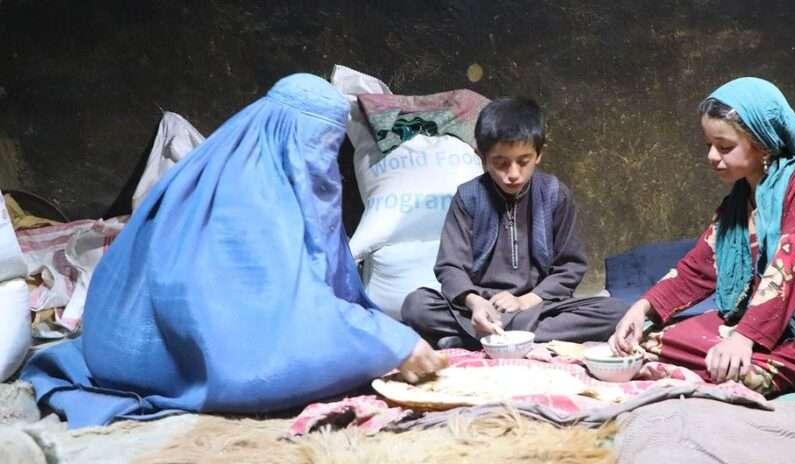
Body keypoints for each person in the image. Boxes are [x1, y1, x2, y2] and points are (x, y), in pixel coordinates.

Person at [21, 73, 444, 428]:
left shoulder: (255, 163)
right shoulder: (248, 196)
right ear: (285, 133)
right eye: (319, 146)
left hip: (125, 337)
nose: (324, 162)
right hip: (159, 351)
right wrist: (386, 343)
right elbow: (270, 318)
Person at [610, 77, 795, 397]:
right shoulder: (737, 200)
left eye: (724, 147)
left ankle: (733, 361)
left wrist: (743, 338)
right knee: (647, 344)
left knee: (740, 371)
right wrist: (642, 308)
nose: (711, 156)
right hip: (750, 323)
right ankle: (718, 359)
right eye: (708, 145)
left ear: (762, 143)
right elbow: (698, 267)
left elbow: (786, 271)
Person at [402, 97, 629, 348]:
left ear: (539, 154)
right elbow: (450, 266)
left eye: (523, 161)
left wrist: (525, 301)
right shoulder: (468, 197)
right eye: (501, 163)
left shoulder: (555, 195)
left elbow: (569, 266)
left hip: (536, 304)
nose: (513, 174)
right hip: (480, 307)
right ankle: (507, 334)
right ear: (482, 157)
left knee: (615, 310)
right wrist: (476, 302)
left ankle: (478, 338)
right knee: (416, 306)